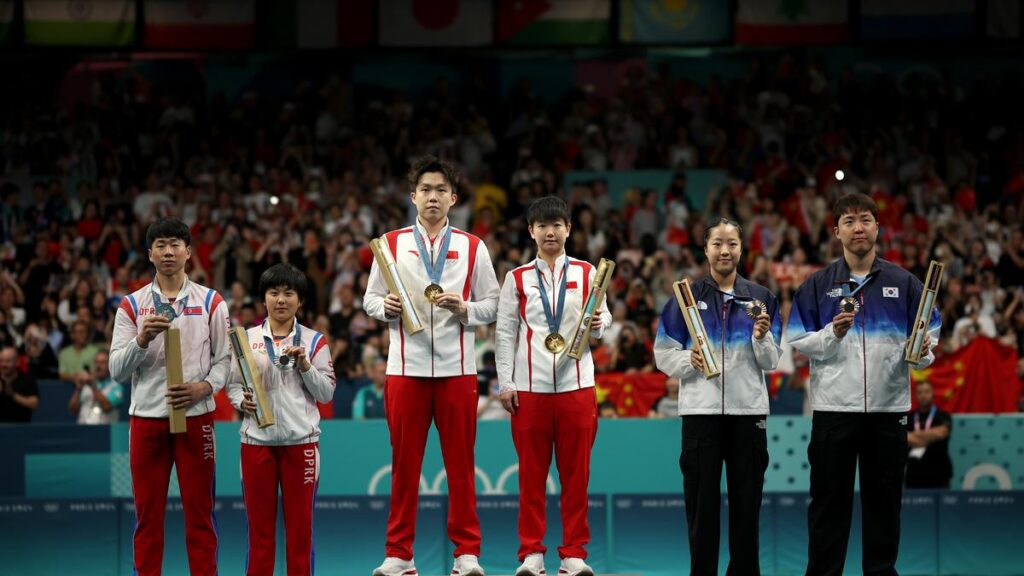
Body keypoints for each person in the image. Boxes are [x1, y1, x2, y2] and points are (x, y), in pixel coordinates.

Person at [786, 193, 940, 575]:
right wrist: (831, 334)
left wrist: (917, 350)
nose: (859, 227)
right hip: (834, 413)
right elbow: (795, 339)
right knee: (827, 508)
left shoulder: (904, 282)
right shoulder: (817, 285)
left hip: (888, 414)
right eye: (850, 220)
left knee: (884, 507)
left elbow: (929, 335)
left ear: (877, 227)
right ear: (836, 230)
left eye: (866, 219)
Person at [364, 155, 500, 576]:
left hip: (457, 370)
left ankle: (466, 554)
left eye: (441, 190)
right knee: (405, 467)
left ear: (454, 198)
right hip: (405, 369)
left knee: (461, 466)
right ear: (413, 196)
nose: (433, 196)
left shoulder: (473, 247)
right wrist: (383, 307)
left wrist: (467, 309)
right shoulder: (389, 244)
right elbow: (369, 299)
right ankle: (399, 555)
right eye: (426, 189)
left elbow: (493, 303)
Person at [653, 218, 782, 576]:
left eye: (732, 244)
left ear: (742, 249)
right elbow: (663, 354)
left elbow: (772, 361)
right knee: (702, 509)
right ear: (706, 248)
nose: (725, 251)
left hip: (748, 414)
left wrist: (760, 337)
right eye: (717, 244)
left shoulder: (762, 298)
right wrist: (687, 360)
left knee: (747, 508)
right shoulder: (685, 298)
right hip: (700, 414)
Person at [495, 196, 612, 576]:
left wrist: (599, 325)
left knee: (576, 476)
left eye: (557, 224)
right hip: (530, 389)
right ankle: (532, 552)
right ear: (531, 231)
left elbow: (605, 315)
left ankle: (574, 553)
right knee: (530, 476)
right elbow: (504, 333)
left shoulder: (588, 271)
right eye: (542, 225)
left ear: (568, 229)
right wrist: (506, 382)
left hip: (578, 386)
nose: (550, 231)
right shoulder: (516, 278)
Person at [109, 217, 231, 576]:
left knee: (200, 518)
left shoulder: (211, 302)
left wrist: (204, 387)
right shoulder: (131, 306)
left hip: (197, 420)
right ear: (150, 254)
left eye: (175, 244)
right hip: (146, 422)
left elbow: (224, 361)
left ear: (188, 252)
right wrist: (141, 340)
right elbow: (117, 369)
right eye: (160, 245)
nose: (168, 251)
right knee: (148, 520)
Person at [226, 263, 336, 576]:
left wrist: (305, 367)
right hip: (256, 445)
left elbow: (326, 393)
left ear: (300, 300)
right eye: (274, 293)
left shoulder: (315, 342)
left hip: (301, 447)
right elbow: (233, 384)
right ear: (264, 300)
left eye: (289, 293)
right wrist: (241, 401)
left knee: (300, 536)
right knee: (259, 536)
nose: (281, 299)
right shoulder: (245, 339)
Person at [905, 381, 953, 489]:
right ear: (915, 395)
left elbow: (941, 433)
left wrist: (913, 436)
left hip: (939, 473)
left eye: (927, 392)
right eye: (919, 392)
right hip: (914, 474)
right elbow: (903, 437)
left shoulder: (943, 415)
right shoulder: (909, 417)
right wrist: (930, 436)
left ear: (933, 393)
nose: (923, 396)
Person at [68, 349, 124, 424]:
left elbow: (107, 407)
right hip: (83, 431)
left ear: (110, 365)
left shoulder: (116, 387)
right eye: (96, 362)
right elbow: (73, 410)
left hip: (104, 432)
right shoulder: (86, 384)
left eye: (102, 363)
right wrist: (78, 389)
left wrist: (92, 385)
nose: (98, 366)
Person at [0, 345, 39, 422]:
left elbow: (34, 404)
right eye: (1, 361)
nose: (3, 365)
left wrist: (13, 395)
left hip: (21, 428)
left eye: (7, 361)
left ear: (17, 362)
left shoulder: (27, 379)